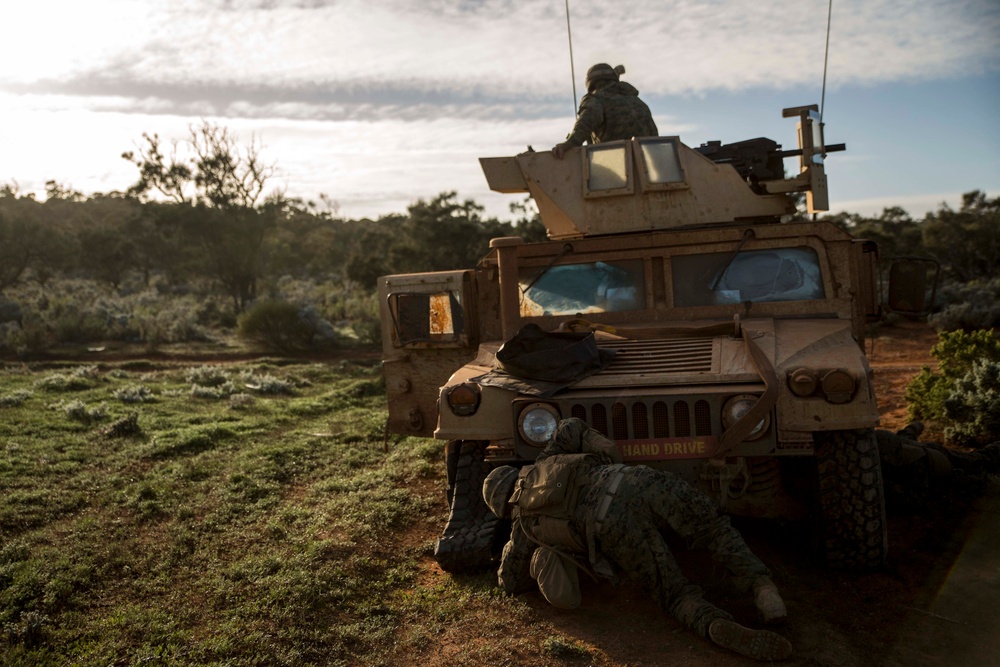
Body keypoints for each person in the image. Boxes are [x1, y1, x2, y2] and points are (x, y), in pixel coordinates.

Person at [483, 418, 793, 662]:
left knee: (671, 591)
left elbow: (509, 582)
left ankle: (711, 623)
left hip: (609, 521)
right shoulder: (543, 461)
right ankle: (763, 589)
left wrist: (512, 548)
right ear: (514, 473)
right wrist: (604, 448)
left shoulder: (522, 525)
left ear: (501, 506)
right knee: (711, 528)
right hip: (633, 478)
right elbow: (571, 426)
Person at [877, 422, 1000, 510]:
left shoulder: (915, 463)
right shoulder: (895, 444)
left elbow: (917, 499)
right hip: (925, 448)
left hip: (941, 459)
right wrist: (916, 425)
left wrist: (886, 487)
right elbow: (907, 433)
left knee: (978, 460)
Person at [552, 63, 658, 159]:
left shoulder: (596, 99)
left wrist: (570, 143)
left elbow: (586, 122)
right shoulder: (636, 101)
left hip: (618, 164)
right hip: (651, 165)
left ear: (591, 83)